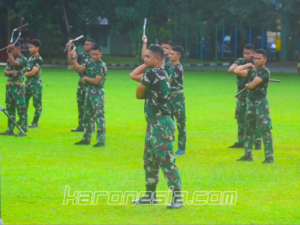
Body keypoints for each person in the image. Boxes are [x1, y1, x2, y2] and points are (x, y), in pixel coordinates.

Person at [130, 44, 183, 209]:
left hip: (160, 123)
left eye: (148, 57)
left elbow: (138, 93)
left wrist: (146, 68)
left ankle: (177, 198)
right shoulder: (160, 72)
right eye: (144, 56)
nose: (144, 59)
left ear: (158, 59)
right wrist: (147, 63)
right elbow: (135, 76)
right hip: (155, 123)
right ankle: (150, 195)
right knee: (150, 160)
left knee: (166, 160)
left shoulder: (153, 73)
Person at [234, 49, 274, 163]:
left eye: (259, 58)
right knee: (249, 129)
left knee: (265, 129)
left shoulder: (264, 72)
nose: (256, 61)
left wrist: (247, 84)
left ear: (265, 60)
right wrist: (248, 64)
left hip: (260, 103)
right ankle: (247, 155)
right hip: (250, 102)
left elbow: (252, 85)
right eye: (255, 58)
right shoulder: (252, 72)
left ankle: (269, 156)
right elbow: (236, 70)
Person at [70, 45, 106, 147]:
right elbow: (78, 69)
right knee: (87, 116)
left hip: (97, 93)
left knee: (99, 117)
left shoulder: (102, 65)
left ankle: (101, 141)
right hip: (88, 91)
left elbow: (96, 80)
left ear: (100, 54)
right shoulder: (88, 61)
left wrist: (85, 78)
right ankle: (86, 138)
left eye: (96, 54)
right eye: (92, 54)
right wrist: (74, 58)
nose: (94, 56)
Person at [228, 44, 262, 150]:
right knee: (240, 118)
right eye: (244, 53)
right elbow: (231, 69)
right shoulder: (240, 61)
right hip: (241, 95)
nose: (246, 55)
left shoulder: (257, 62)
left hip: (253, 96)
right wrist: (247, 65)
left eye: (248, 53)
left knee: (254, 119)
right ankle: (241, 141)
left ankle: (257, 142)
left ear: (253, 54)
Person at [66, 38, 95, 132]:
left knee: (90, 105)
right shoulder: (82, 55)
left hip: (90, 82)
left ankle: (91, 126)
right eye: (85, 44)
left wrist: (75, 64)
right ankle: (81, 126)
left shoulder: (93, 57)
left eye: (88, 45)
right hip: (82, 82)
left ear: (92, 46)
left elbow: (79, 68)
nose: (85, 46)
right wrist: (69, 50)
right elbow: (70, 61)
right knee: (80, 104)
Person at [0, 42, 28, 137]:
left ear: (19, 48)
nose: (12, 52)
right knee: (10, 108)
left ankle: (23, 130)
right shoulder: (10, 58)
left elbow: (13, 63)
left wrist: (8, 52)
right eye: (11, 50)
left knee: (21, 108)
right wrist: (11, 72)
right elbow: (5, 72)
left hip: (18, 87)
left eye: (13, 50)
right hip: (9, 87)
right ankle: (10, 129)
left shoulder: (23, 59)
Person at [168, 46, 186, 156]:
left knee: (180, 123)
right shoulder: (169, 66)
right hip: (169, 97)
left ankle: (181, 148)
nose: (170, 55)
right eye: (170, 53)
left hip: (177, 97)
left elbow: (168, 81)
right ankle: (168, 146)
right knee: (169, 122)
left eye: (172, 54)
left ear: (178, 56)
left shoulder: (177, 68)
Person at [25, 39, 43, 127]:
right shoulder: (30, 57)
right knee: (24, 102)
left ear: (37, 48)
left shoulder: (38, 59)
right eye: (29, 47)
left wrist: (22, 74)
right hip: (28, 83)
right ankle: (22, 119)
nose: (30, 49)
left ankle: (35, 122)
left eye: (32, 47)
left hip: (35, 84)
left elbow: (33, 72)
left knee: (37, 104)